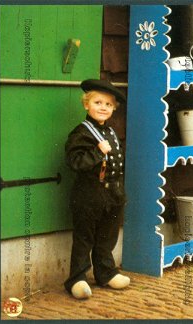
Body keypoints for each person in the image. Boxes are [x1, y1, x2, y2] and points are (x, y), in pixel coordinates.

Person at [64, 79, 130, 299]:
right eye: (98, 102)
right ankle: (77, 279)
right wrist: (97, 153)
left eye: (108, 104)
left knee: (107, 236)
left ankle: (106, 273)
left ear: (113, 109)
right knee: (84, 237)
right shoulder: (81, 132)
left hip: (112, 194)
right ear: (86, 105)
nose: (103, 107)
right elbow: (75, 162)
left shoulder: (110, 131)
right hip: (89, 194)